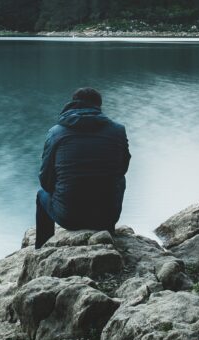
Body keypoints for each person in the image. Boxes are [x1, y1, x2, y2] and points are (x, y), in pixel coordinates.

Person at [35, 87, 131, 249]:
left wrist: (63, 192)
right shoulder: (118, 131)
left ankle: (43, 249)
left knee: (41, 195)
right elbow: (122, 169)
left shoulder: (56, 133)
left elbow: (46, 180)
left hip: (69, 218)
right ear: (98, 107)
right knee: (118, 179)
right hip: (106, 217)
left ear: (73, 104)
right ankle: (108, 233)